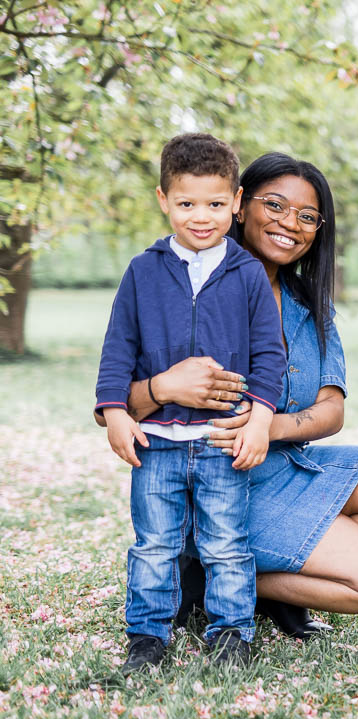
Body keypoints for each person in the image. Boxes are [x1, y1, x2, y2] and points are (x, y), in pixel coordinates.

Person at [98, 152, 358, 641]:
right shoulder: (180, 285)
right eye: (277, 206)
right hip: (222, 475)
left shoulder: (308, 304)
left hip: (285, 462)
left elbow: (331, 410)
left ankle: (245, 585)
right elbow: (117, 403)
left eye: (308, 216)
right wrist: (165, 386)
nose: (292, 224)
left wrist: (266, 425)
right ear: (242, 207)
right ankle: (212, 569)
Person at [95, 133, 285, 673]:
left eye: (215, 204)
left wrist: (261, 421)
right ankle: (148, 637)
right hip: (155, 443)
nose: (201, 217)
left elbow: (269, 357)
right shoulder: (143, 271)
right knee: (154, 544)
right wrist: (114, 413)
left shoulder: (246, 273)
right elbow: (117, 350)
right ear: (163, 200)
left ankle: (232, 635)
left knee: (226, 544)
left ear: (236, 202)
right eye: (186, 203)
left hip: (223, 441)